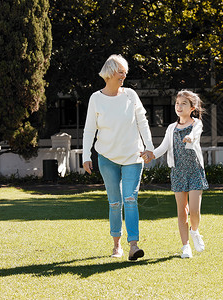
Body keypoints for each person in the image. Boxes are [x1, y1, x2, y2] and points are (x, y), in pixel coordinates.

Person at [82, 54, 154, 261]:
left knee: (130, 199)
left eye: (125, 72)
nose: (124, 76)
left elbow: (142, 121)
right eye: (121, 72)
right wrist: (86, 155)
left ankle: (134, 245)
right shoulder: (96, 99)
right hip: (107, 157)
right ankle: (117, 246)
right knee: (115, 202)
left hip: (133, 156)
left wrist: (149, 147)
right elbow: (89, 130)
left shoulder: (131, 95)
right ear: (111, 72)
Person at [152, 90, 209, 258]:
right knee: (181, 211)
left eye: (184, 103)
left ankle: (195, 231)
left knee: (194, 211)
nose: (179, 106)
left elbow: (195, 134)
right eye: (177, 103)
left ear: (192, 107)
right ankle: (185, 247)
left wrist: (190, 138)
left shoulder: (196, 123)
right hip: (178, 172)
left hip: (195, 171)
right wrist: (150, 155)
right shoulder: (171, 128)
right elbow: (162, 148)